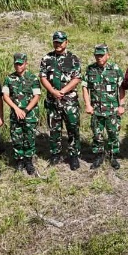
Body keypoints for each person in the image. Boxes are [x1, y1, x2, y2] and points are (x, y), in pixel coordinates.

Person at [39, 31, 83, 170]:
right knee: (54, 129)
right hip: (53, 101)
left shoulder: (73, 58)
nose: (58, 44)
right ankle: (55, 154)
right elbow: (43, 77)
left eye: (60, 41)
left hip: (69, 101)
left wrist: (63, 91)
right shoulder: (47, 58)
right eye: (55, 41)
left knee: (73, 128)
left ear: (66, 42)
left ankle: (74, 155)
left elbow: (77, 78)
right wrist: (52, 91)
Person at [82, 44, 125, 169]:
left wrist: (121, 105)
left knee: (113, 134)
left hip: (112, 110)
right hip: (96, 110)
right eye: (97, 55)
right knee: (97, 134)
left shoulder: (115, 69)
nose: (99, 58)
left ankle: (113, 156)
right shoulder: (90, 69)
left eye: (101, 55)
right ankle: (98, 156)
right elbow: (85, 88)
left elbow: (121, 88)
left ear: (108, 55)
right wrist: (88, 105)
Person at [2, 52, 41, 175]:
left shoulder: (33, 78)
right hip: (16, 115)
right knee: (17, 138)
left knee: (29, 138)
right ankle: (19, 160)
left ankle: (28, 161)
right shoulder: (9, 78)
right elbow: (5, 96)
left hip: (30, 115)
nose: (18, 66)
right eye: (16, 64)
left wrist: (25, 110)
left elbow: (36, 96)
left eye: (21, 64)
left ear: (26, 63)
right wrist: (16, 109)